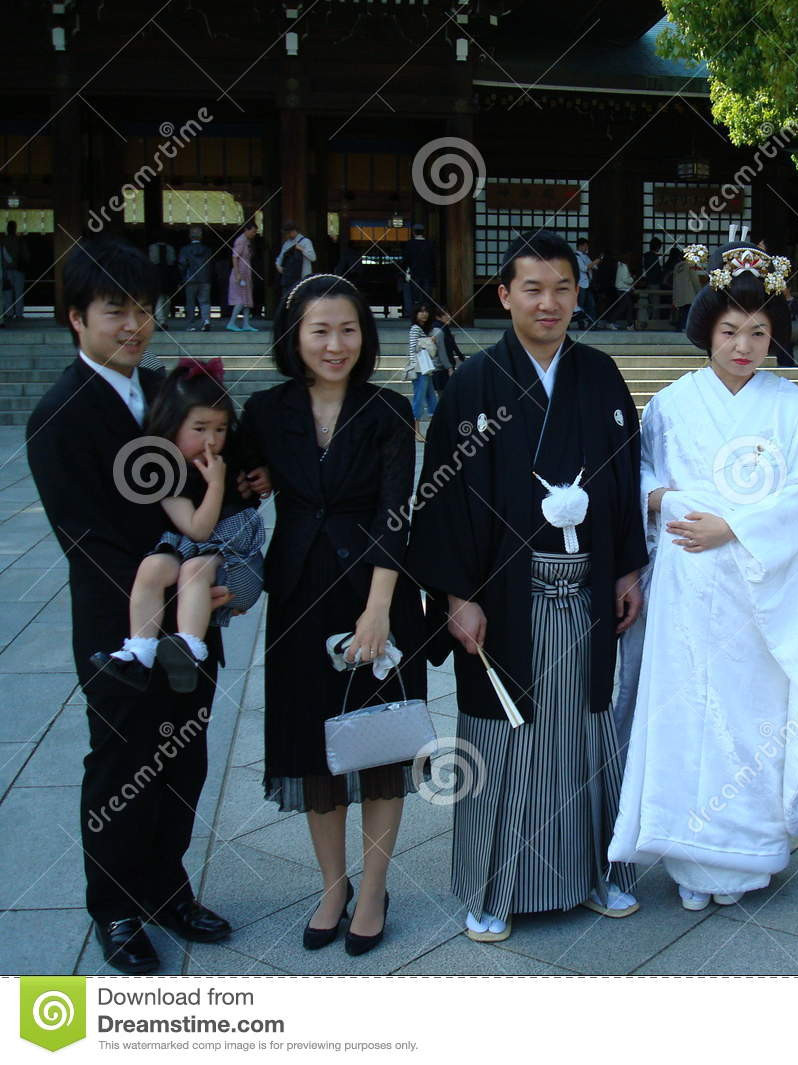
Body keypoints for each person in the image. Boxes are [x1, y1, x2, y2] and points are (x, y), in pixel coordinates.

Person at [408, 229, 646, 943]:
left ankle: (599, 871)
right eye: (533, 288)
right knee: (503, 735)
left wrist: (628, 566)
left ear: (579, 294)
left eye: (563, 288)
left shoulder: (601, 377)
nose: (550, 302)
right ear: (505, 294)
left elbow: (625, 480)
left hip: (589, 589)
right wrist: (455, 595)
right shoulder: (472, 386)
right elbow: (442, 501)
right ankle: (494, 885)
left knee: (588, 729)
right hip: (505, 597)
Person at [26, 239, 234, 973]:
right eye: (116, 309)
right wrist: (179, 592)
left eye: (144, 309)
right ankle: (115, 906)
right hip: (121, 627)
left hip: (195, 620)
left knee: (186, 758)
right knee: (121, 766)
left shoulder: (171, 390)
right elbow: (86, 539)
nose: (134, 325)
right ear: (76, 317)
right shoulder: (57, 415)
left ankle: (166, 885)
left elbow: (218, 466)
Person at [609, 239, 798, 909]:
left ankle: (745, 855)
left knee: (750, 715)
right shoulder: (674, 402)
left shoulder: (787, 405)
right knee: (687, 713)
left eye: (758, 331)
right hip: (687, 584)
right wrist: (668, 502)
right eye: (730, 329)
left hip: (760, 589)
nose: (743, 344)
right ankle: (687, 859)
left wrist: (732, 524)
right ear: (707, 330)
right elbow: (639, 473)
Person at [240, 272, 427, 957]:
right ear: (294, 337)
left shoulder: (387, 410)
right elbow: (238, 480)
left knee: (377, 745)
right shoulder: (264, 410)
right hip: (296, 591)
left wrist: (379, 611)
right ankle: (332, 883)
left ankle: (374, 886)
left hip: (373, 590)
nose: (335, 342)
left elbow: (394, 514)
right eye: (320, 329)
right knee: (311, 746)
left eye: (348, 329)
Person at [89, 359, 264, 694]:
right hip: (192, 543)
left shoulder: (234, 452)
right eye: (199, 429)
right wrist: (215, 485)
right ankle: (139, 652)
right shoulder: (166, 469)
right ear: (172, 426)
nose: (211, 440)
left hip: (235, 562)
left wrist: (261, 477)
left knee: (195, 570)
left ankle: (189, 649)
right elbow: (197, 529)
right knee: (153, 566)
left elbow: (263, 463)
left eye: (220, 428)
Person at [406, 302, 438, 426]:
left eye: (426, 311)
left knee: (431, 398)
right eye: (421, 311)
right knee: (419, 398)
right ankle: (415, 429)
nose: (424, 314)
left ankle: (433, 426)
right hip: (419, 369)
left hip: (426, 368)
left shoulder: (422, 329)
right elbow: (413, 348)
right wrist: (429, 341)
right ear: (416, 314)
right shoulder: (415, 328)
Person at [177, 226, 214, 331]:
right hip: (205, 278)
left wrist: (181, 278)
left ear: (190, 236)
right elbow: (211, 264)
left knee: (190, 303)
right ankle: (206, 321)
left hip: (190, 279)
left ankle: (191, 325)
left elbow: (182, 264)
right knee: (205, 302)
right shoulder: (207, 250)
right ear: (201, 236)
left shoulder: (185, 250)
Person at [227, 220, 259, 331]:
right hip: (240, 272)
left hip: (246, 272)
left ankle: (246, 323)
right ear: (246, 230)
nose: (254, 234)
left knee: (247, 300)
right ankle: (231, 322)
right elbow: (235, 257)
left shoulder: (247, 241)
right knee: (240, 300)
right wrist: (237, 273)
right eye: (253, 231)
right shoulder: (240, 241)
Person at [275, 221, 316, 303]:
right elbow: (279, 259)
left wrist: (301, 249)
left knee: (302, 301)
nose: (287, 236)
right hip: (289, 279)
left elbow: (313, 257)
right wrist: (279, 266)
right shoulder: (287, 243)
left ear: (294, 231)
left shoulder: (306, 242)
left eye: (288, 233)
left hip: (303, 276)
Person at [401, 223, 436, 319]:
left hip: (415, 273)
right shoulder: (430, 244)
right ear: (423, 232)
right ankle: (426, 315)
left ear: (413, 232)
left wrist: (404, 272)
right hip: (428, 274)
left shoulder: (410, 244)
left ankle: (416, 315)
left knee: (415, 296)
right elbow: (433, 261)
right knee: (426, 296)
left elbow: (405, 260)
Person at [147, 237, 177, 330]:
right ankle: (164, 320)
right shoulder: (170, 250)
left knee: (159, 300)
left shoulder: (152, 249)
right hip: (168, 277)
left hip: (156, 277)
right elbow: (173, 263)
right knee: (167, 300)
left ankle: (161, 321)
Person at [2, 220, 29, 321]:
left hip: (6, 269)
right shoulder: (20, 241)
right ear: (15, 228)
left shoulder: (3, 241)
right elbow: (26, 256)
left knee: (7, 293)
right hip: (19, 269)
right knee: (19, 293)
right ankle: (18, 313)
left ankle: (9, 313)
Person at [575, 237, 596, 324]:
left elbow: (594, 267)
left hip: (588, 283)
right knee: (581, 305)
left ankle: (592, 323)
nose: (587, 248)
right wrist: (595, 262)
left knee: (592, 304)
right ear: (581, 246)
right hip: (581, 284)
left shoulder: (586, 256)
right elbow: (584, 268)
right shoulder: (576, 256)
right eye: (585, 246)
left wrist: (593, 263)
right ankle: (581, 323)